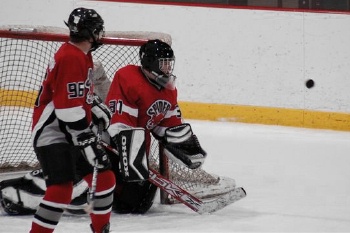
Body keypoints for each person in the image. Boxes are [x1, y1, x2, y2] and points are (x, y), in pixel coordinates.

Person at [0, 40, 208, 216]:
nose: (168, 69)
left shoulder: (169, 90)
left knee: (137, 203)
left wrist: (183, 143)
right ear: (150, 63)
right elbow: (120, 125)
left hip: (130, 153)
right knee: (80, 190)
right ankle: (22, 193)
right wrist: (133, 158)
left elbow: (166, 124)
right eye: (163, 63)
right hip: (104, 147)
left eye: (169, 64)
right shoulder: (129, 78)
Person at [29, 7, 115, 233]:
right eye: (98, 30)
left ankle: (100, 230)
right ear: (89, 32)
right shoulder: (70, 57)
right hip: (53, 133)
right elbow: (66, 109)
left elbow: (72, 94)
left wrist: (93, 104)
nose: (100, 34)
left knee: (105, 178)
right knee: (60, 190)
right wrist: (87, 142)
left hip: (72, 130)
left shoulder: (82, 54)